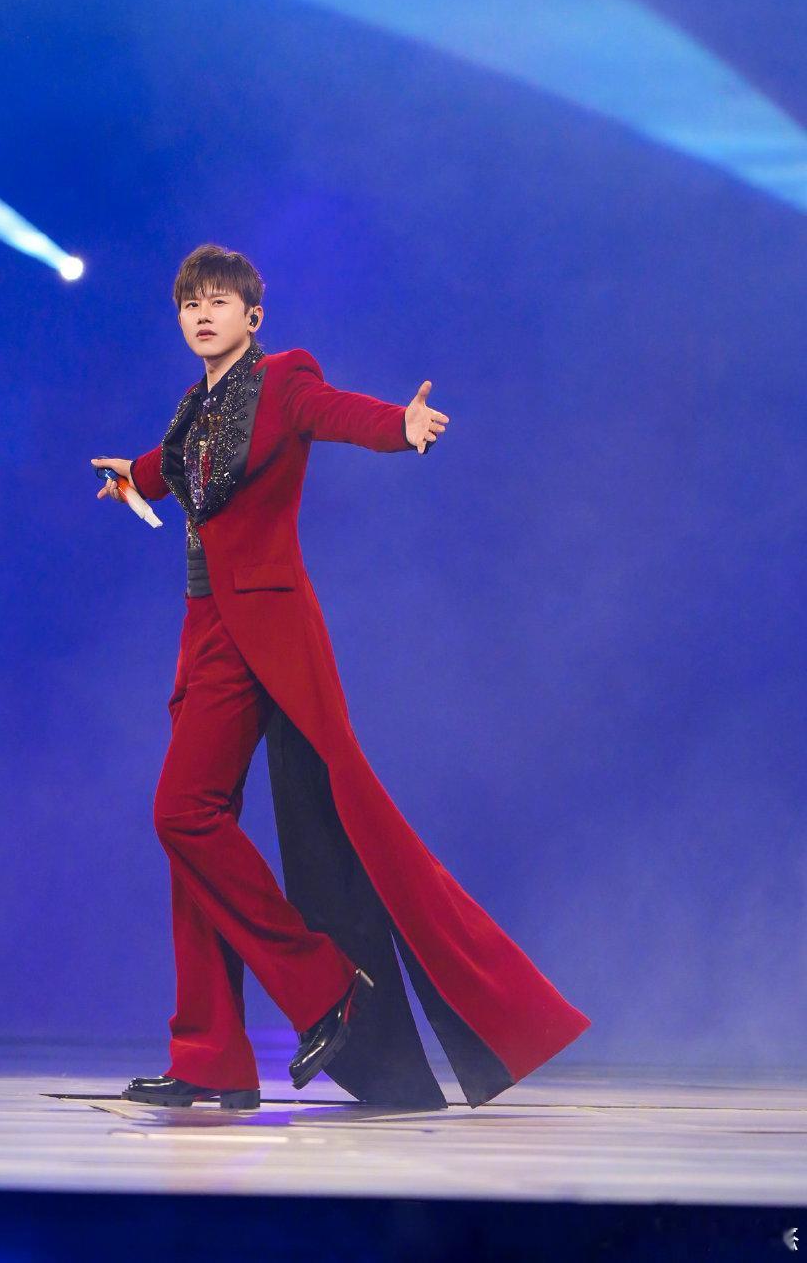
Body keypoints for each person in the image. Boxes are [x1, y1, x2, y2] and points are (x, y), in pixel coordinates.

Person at [91, 243, 590, 1112]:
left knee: (182, 813)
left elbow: (335, 413)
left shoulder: (282, 379)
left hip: (259, 632)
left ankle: (324, 985)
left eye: (219, 302)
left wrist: (401, 425)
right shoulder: (197, 410)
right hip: (204, 628)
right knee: (195, 838)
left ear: (252, 317)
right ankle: (210, 1057)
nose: (202, 314)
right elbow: (177, 468)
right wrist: (130, 477)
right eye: (190, 304)